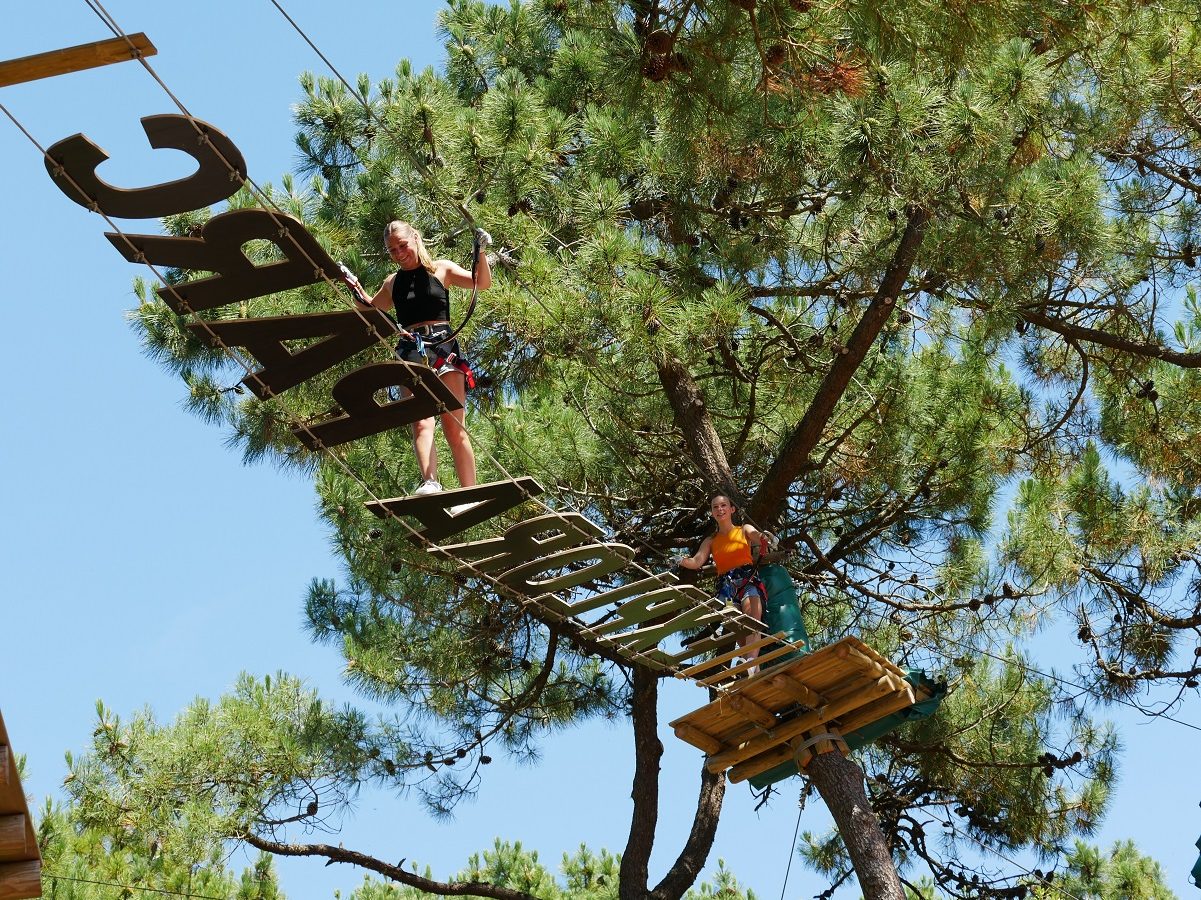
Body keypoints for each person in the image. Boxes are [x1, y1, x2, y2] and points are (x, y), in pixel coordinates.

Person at [340, 220, 492, 496]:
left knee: (454, 425)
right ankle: (430, 481)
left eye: (402, 245)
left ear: (415, 239)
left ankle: (470, 493)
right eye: (392, 250)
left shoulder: (441, 269)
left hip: (443, 347)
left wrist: (479, 252)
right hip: (411, 350)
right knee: (421, 420)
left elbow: (481, 283)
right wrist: (355, 289)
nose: (398, 253)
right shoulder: (392, 283)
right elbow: (370, 315)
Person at [678, 493, 769, 674]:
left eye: (723, 505)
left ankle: (750, 662)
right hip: (726, 587)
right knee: (739, 629)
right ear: (712, 513)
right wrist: (679, 560)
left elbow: (758, 536)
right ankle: (752, 667)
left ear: (732, 509)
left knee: (752, 620)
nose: (720, 509)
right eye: (715, 507)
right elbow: (696, 562)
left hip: (746, 579)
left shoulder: (744, 529)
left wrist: (765, 537)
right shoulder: (711, 540)